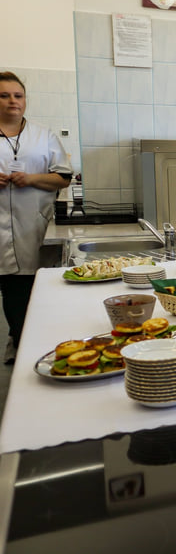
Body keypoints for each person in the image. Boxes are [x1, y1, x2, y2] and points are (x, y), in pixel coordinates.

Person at [0, 72, 72, 365]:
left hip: (34, 225)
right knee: (11, 290)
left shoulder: (44, 135)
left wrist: (30, 178)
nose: (12, 102)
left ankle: (30, 342)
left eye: (18, 95)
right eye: (4, 96)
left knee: (32, 288)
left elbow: (63, 177)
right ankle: (18, 341)